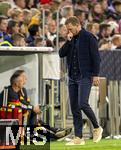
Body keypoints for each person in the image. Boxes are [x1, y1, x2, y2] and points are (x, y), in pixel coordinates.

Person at [59, 16, 103, 145]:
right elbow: (61, 54)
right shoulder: (71, 38)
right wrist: (68, 41)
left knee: (83, 103)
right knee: (74, 107)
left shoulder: (89, 37)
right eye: (67, 30)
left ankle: (97, 127)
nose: (69, 31)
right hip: (72, 77)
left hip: (85, 76)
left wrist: (95, 75)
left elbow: (96, 58)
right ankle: (78, 137)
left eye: (71, 29)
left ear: (78, 25)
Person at [0, 70, 72, 141]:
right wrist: (33, 108)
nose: (25, 80)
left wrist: (36, 108)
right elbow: (19, 105)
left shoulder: (23, 90)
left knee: (34, 117)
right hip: (8, 122)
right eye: (23, 77)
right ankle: (53, 134)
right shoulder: (8, 91)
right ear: (16, 81)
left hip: (20, 120)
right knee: (31, 115)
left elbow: (25, 104)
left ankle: (54, 132)